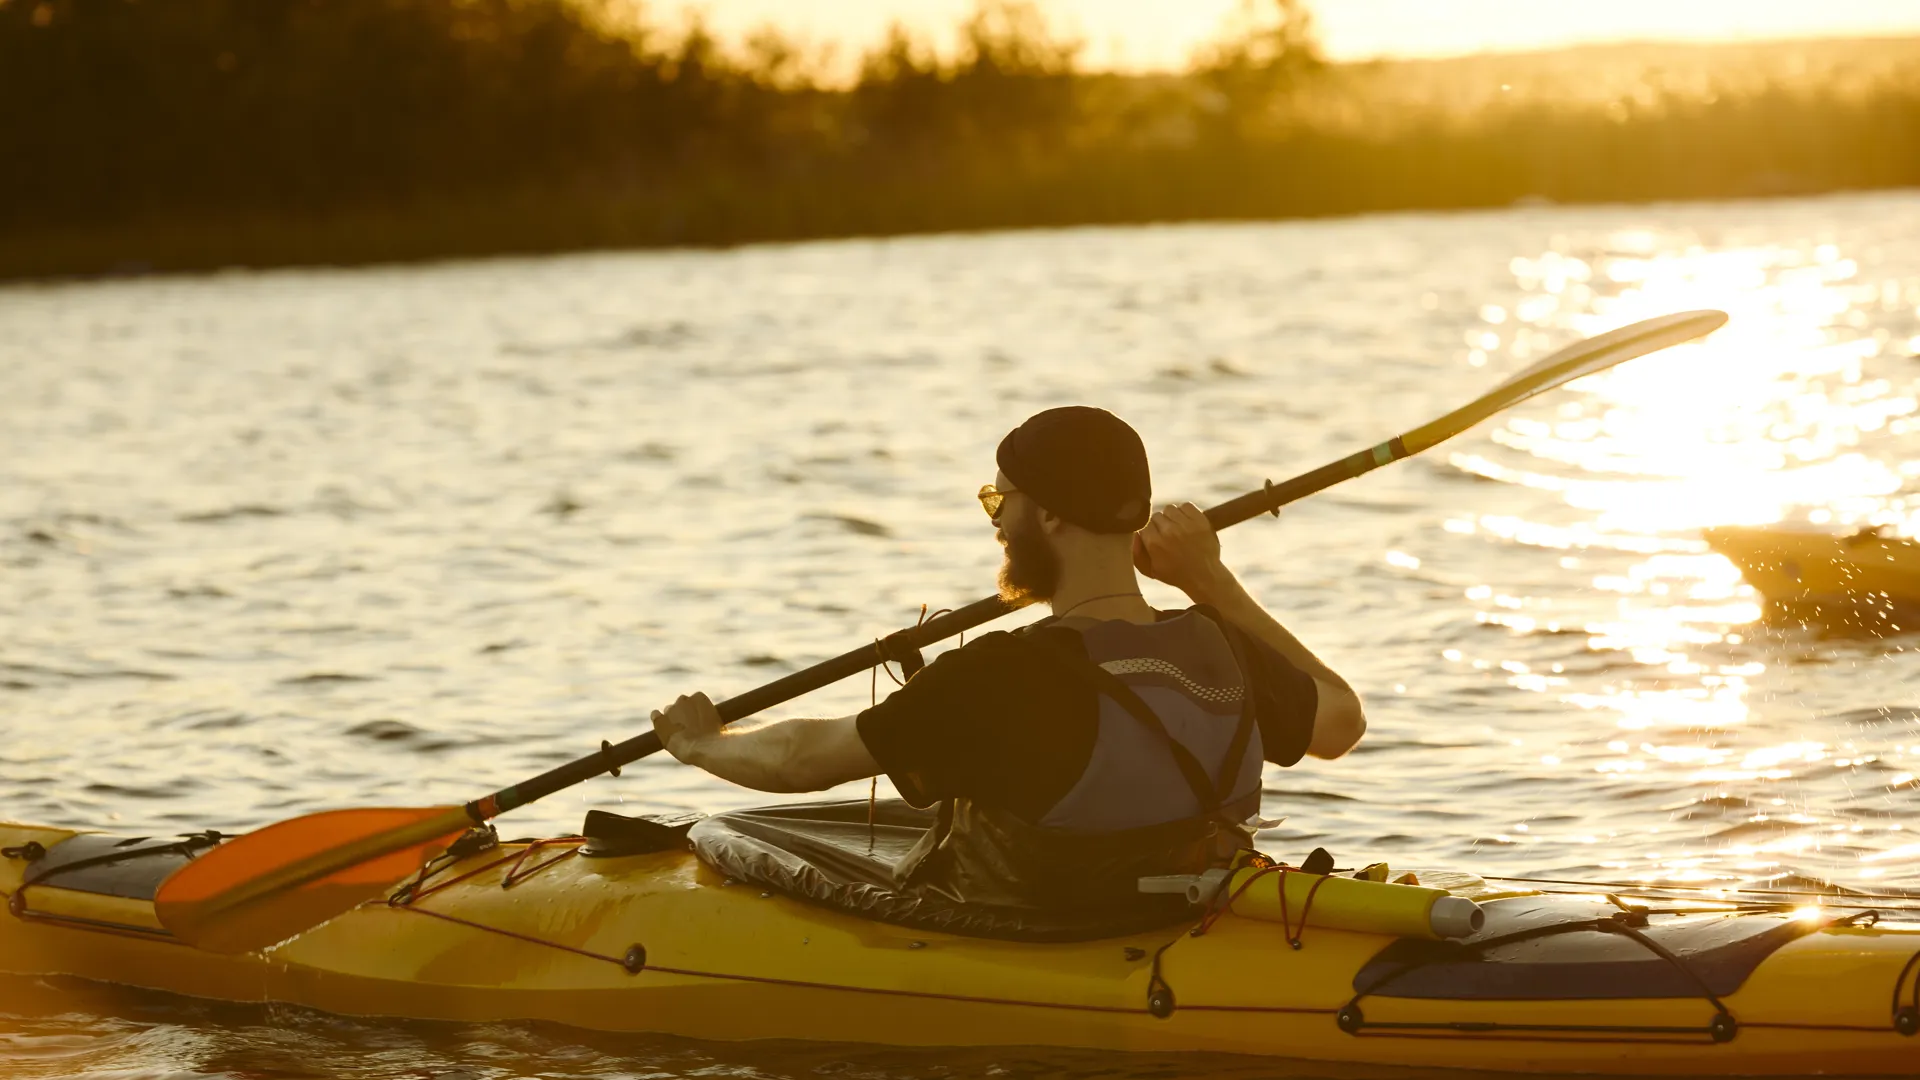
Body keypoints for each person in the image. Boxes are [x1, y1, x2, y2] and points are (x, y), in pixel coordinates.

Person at [652, 406, 1365, 914]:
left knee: (728, 839)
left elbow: (800, 760)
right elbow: (1340, 721)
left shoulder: (1000, 674)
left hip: (1043, 936)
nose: (994, 518)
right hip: (1187, 912)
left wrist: (702, 743)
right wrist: (1208, 581)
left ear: (1050, 513)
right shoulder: (1221, 643)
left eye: (1001, 497)